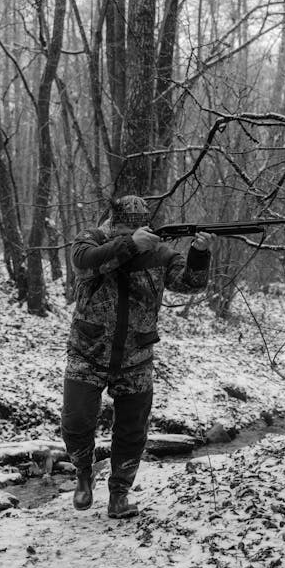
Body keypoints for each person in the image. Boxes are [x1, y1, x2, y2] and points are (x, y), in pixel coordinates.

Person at [61, 195, 215, 519]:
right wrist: (130, 244)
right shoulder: (92, 240)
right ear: (113, 224)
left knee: (132, 432)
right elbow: (83, 262)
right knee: (76, 422)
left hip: (136, 356)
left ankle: (119, 493)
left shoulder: (159, 253)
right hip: (88, 350)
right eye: (126, 229)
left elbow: (191, 283)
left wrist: (199, 254)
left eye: (137, 228)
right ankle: (83, 475)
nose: (132, 233)